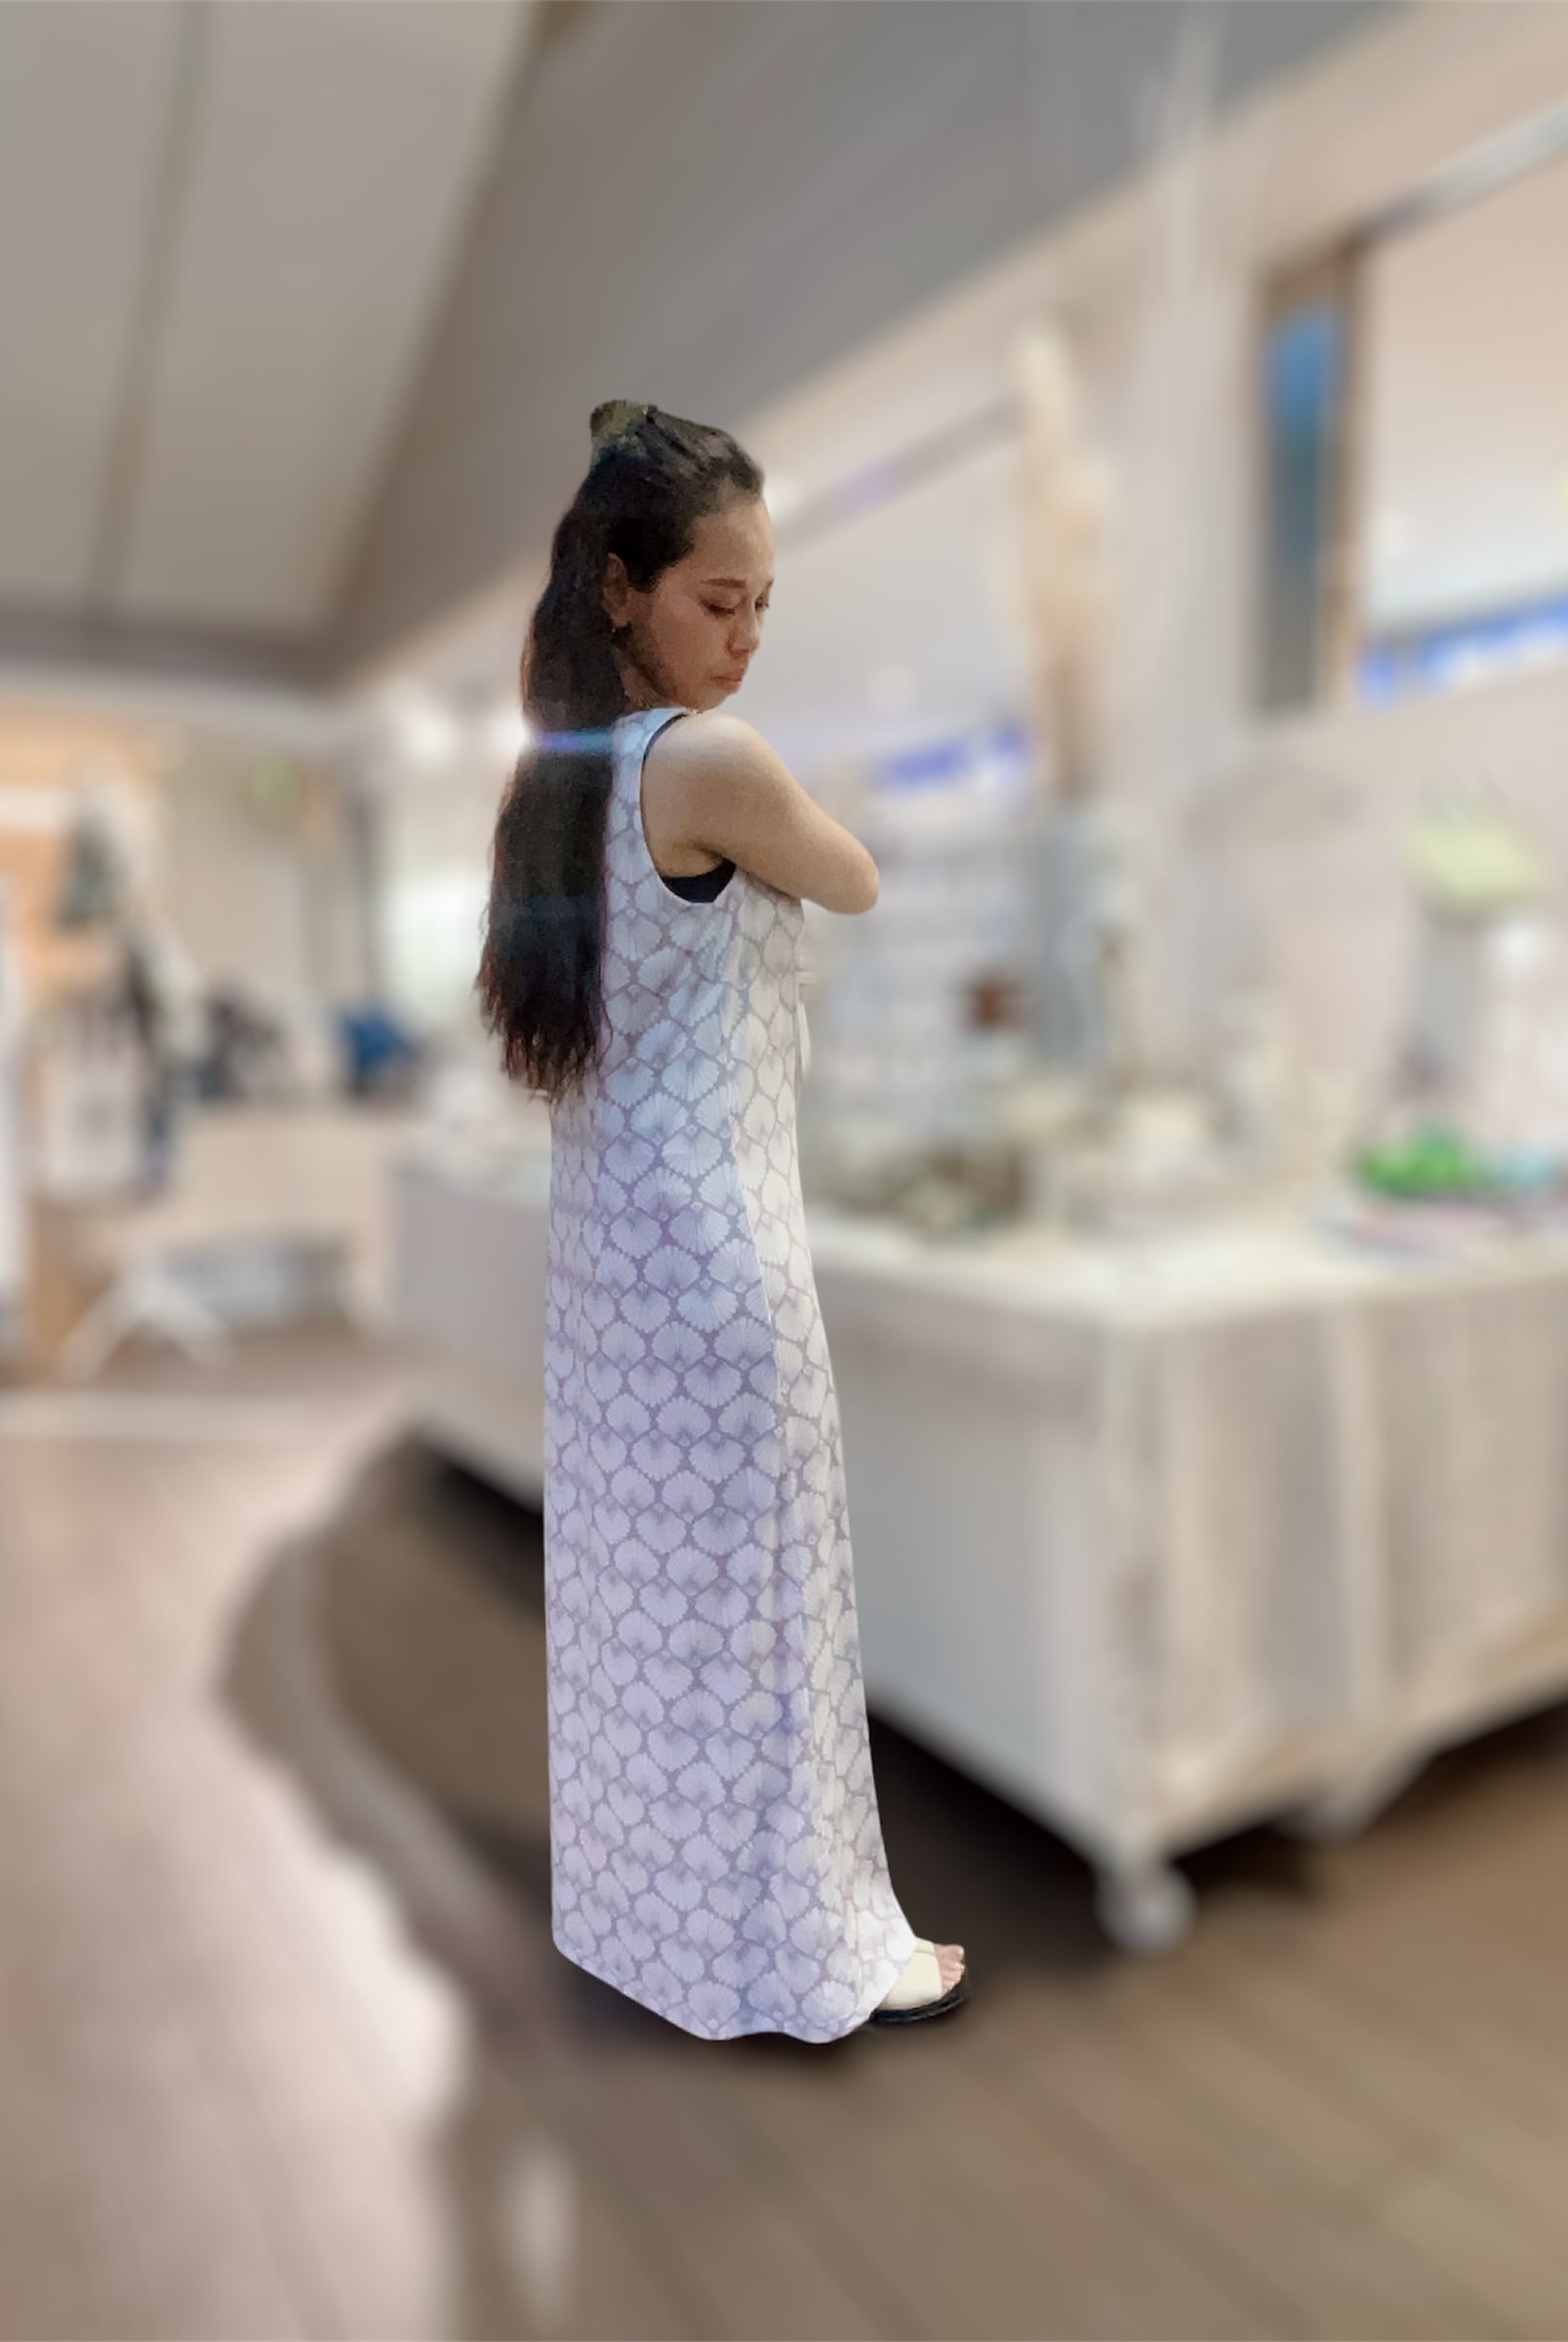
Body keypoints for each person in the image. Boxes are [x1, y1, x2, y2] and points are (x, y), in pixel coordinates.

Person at [477, 399, 967, 2039]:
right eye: (718, 601)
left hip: (606, 1268)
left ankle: (654, 1930)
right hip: (716, 1262)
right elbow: (856, 876)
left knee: (636, 1618)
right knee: (764, 1614)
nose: (747, 638)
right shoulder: (710, 763)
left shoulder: (550, 785)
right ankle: (811, 1946)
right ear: (622, 589)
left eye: (763, 606)